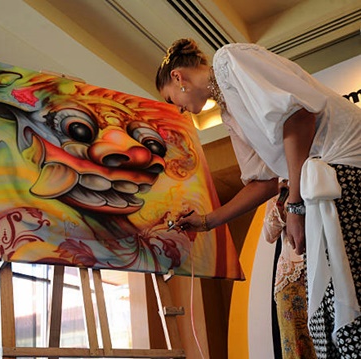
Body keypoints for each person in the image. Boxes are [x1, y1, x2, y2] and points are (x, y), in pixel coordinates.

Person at [155, 38, 361, 358]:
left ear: (178, 78)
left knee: (348, 301)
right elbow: (263, 182)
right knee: (329, 316)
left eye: (171, 100)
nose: (178, 110)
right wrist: (208, 221)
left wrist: (294, 205)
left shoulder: (230, 60)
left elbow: (298, 117)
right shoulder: (228, 114)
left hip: (347, 175)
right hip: (322, 189)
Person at [263, 179, 316, 358]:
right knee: (297, 346)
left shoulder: (322, 168)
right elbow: (269, 235)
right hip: (291, 278)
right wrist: (279, 200)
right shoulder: (279, 186)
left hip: (322, 268)